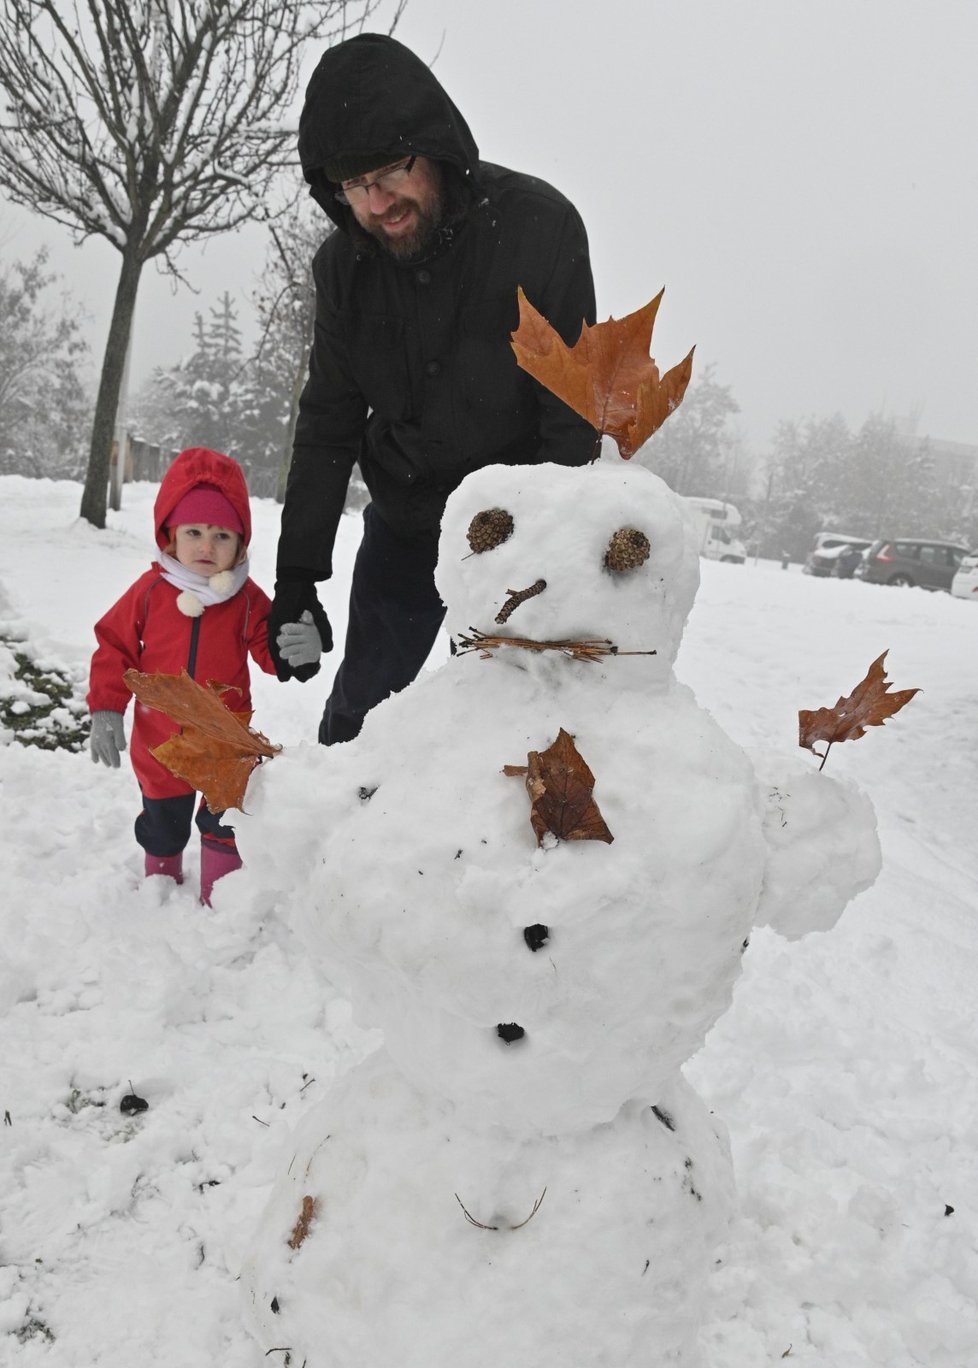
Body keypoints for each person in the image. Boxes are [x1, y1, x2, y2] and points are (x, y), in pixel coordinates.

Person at [267, 32, 598, 745]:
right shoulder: (343, 271)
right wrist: (296, 575)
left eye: (390, 172)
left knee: (511, 731)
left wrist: (548, 563)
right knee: (361, 717)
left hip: (516, 530)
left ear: (435, 148)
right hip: (408, 520)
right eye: (353, 187)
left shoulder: (538, 230)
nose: (377, 201)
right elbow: (328, 421)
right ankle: (334, 846)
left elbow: (571, 417)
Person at [87, 447, 313, 904]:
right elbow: (115, 647)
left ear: (240, 544)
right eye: (194, 532)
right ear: (171, 536)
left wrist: (298, 652)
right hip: (160, 745)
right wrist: (107, 708)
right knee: (162, 824)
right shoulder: (149, 593)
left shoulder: (246, 599)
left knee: (223, 822)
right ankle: (160, 887)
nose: (207, 547)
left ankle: (221, 897)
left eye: (222, 535)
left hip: (224, 744)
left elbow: (270, 652)